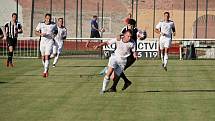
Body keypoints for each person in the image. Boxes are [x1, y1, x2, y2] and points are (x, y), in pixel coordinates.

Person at [94, 29, 137, 94]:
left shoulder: (132, 43)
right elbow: (107, 43)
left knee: (114, 78)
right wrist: (99, 46)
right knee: (109, 73)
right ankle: (103, 90)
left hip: (123, 61)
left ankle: (106, 70)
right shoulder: (118, 39)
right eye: (128, 36)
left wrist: (135, 55)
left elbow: (134, 51)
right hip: (114, 58)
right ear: (124, 35)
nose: (129, 38)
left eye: (130, 36)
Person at [105, 18, 139, 92]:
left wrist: (143, 36)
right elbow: (119, 36)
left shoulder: (136, 30)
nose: (131, 27)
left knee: (119, 70)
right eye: (130, 25)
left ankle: (115, 87)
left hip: (130, 56)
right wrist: (118, 36)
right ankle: (125, 82)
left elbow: (141, 35)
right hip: (124, 54)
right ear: (128, 25)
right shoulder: (124, 29)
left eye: (132, 25)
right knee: (117, 71)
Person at [35, 13, 58, 77]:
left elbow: (56, 31)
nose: (48, 19)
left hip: (49, 42)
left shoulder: (53, 24)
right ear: (45, 18)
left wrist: (54, 35)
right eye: (47, 18)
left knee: (47, 56)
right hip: (42, 42)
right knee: (43, 57)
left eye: (49, 18)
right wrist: (41, 34)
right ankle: (46, 69)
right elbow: (36, 31)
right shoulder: (41, 24)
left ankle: (45, 72)